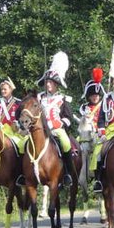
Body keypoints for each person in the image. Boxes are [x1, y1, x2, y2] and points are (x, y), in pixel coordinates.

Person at [36, 51, 77, 187]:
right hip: (40, 130)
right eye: (47, 82)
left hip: (56, 129)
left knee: (66, 143)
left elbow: (69, 118)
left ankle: (67, 174)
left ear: (56, 84)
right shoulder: (39, 98)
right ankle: (22, 174)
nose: (48, 85)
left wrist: (59, 125)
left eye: (51, 82)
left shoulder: (63, 99)